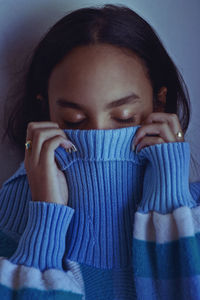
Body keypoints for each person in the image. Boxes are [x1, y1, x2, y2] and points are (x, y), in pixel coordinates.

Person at [0, 4, 200, 299]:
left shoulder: (192, 211)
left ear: (159, 104)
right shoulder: (11, 211)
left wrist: (171, 204)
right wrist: (44, 220)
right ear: (46, 110)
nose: (99, 138)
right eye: (74, 121)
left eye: (124, 117)